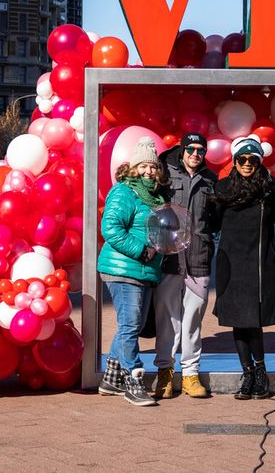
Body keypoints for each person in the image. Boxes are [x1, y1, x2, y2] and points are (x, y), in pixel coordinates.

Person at [213, 135, 275, 400]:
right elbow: (214, 224)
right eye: (241, 159)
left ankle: (261, 372)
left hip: (260, 262)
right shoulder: (222, 189)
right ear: (234, 160)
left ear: (259, 161)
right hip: (231, 263)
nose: (246, 163)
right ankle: (248, 372)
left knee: (254, 320)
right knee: (237, 320)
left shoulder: (272, 188)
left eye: (252, 159)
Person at [97, 136, 166, 406]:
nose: (149, 171)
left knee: (131, 326)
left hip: (144, 270)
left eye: (153, 166)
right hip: (124, 269)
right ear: (134, 167)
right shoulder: (124, 191)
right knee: (130, 326)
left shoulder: (155, 196)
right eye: (144, 166)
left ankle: (111, 379)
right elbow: (111, 228)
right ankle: (133, 380)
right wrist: (141, 249)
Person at [153, 133, 219, 399]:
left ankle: (191, 374)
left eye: (200, 150)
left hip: (198, 259)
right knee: (167, 319)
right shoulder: (164, 175)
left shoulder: (211, 180)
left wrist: (205, 239)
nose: (195, 154)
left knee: (193, 320)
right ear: (182, 150)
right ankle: (164, 373)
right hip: (169, 258)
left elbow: (216, 219)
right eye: (190, 148)